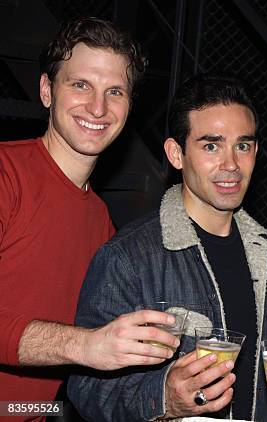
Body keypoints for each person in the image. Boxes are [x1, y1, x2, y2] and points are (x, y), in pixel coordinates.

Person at [67, 74, 267, 421]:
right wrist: (164, 399)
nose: (231, 163)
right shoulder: (129, 258)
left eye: (242, 146)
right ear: (176, 154)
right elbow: (86, 389)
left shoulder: (262, 257)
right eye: (211, 146)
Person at [0, 17, 181, 410]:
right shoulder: (5, 174)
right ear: (47, 91)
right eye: (80, 84)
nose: (98, 107)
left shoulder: (102, 224)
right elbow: (88, 347)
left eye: (114, 91)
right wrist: (87, 345)